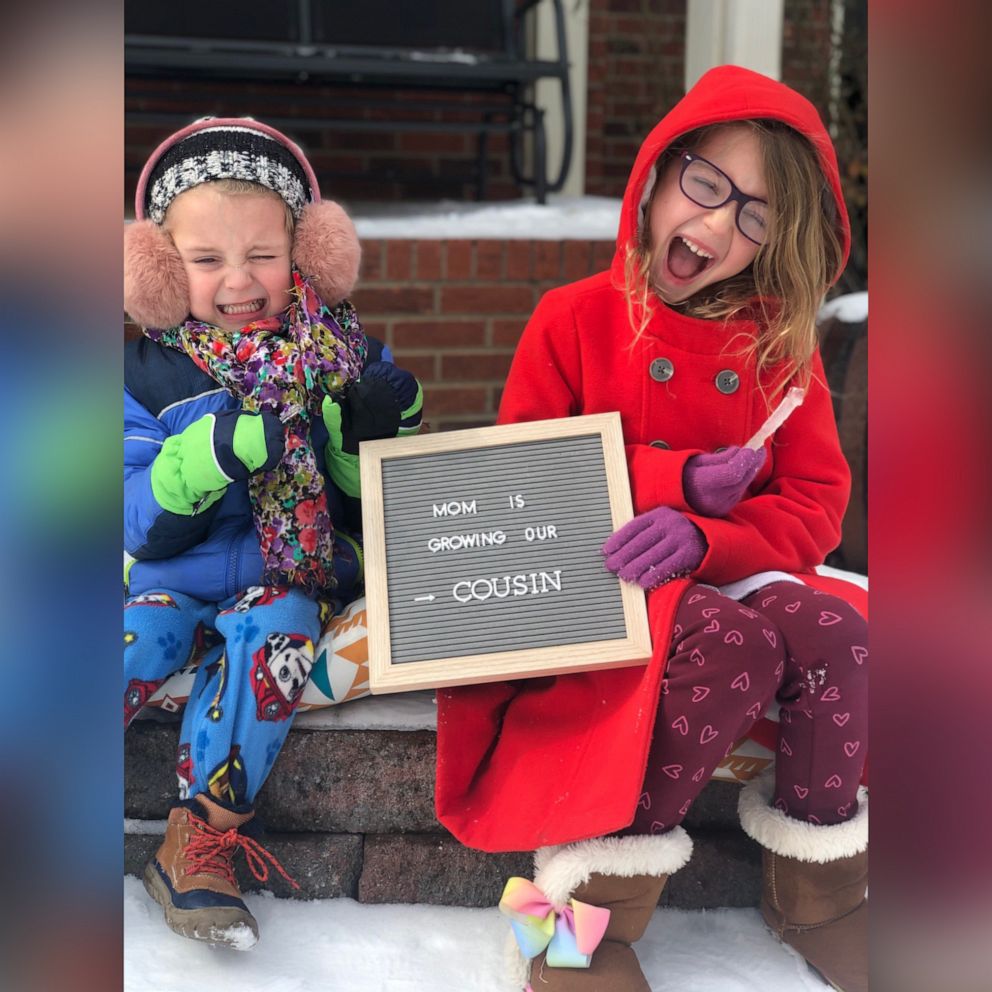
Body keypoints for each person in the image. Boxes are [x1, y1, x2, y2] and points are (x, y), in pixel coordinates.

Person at [434, 66, 868, 992]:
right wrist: (671, 484)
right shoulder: (576, 319)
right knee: (738, 645)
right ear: (660, 175)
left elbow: (816, 506)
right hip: (601, 578)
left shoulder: (778, 352)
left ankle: (819, 890)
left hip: (722, 571)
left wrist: (713, 538)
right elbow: (523, 480)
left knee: (845, 634)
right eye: (706, 186)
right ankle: (579, 908)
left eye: (754, 216)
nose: (715, 226)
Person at [123, 118, 423, 949]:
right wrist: (214, 450)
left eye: (262, 255)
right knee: (132, 640)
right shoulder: (139, 375)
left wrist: (373, 437)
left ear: (306, 253)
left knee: (282, 635)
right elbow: (134, 515)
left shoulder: (347, 356)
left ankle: (199, 842)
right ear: (156, 267)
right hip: (171, 574)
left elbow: (376, 508)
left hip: (284, 573)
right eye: (206, 259)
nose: (238, 281)